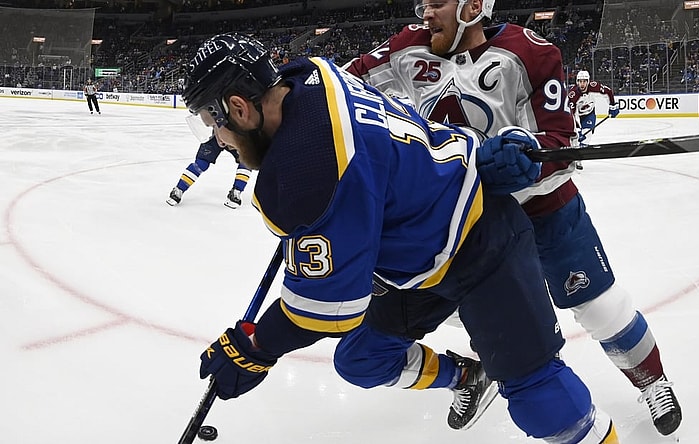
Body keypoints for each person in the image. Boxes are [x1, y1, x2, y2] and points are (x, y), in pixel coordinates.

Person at [185, 32, 618, 443]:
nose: (218, 141)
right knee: (361, 360)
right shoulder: (310, 73)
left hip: (481, 236)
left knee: (539, 398)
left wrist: (255, 348)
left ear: (240, 108)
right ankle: (468, 376)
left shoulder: (308, 169)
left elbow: (327, 308)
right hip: (419, 254)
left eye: (213, 124)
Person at [344, 0, 680, 436]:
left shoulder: (532, 53)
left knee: (600, 307)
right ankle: (475, 373)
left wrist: (522, 156)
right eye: (422, 3)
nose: (425, 13)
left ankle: (653, 380)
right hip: (465, 220)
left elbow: (559, 140)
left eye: (437, 2)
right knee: (452, 307)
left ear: (475, 5)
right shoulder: (406, 47)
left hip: (542, 208)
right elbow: (336, 88)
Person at [166, 132, 251, 208]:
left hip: (237, 135)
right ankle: (179, 189)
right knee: (201, 163)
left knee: (247, 162)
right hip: (215, 135)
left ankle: (236, 191)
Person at [568, 70, 619, 144]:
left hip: (589, 113)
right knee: (574, 139)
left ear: (588, 81)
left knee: (586, 134)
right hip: (576, 116)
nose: (582, 84)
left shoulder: (594, 87)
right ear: (577, 82)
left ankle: (583, 149)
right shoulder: (573, 95)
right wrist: (578, 130)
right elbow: (572, 115)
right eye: (580, 81)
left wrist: (612, 106)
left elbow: (608, 91)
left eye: (584, 81)